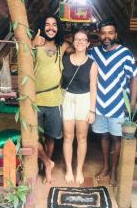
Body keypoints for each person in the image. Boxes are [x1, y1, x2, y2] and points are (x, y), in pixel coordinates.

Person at [89, 18, 137, 186]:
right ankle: (105, 167)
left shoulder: (125, 53)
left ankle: (115, 170)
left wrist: (131, 103)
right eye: (103, 33)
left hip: (118, 105)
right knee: (103, 136)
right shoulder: (93, 53)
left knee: (116, 138)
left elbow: (134, 78)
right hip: (99, 105)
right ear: (99, 34)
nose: (107, 36)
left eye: (110, 33)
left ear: (115, 34)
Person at [32, 15, 70, 182]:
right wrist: (32, 44)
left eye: (54, 25)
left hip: (54, 101)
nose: (51, 28)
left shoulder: (63, 47)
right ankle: (47, 163)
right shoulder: (34, 45)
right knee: (33, 137)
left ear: (58, 28)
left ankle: (46, 168)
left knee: (51, 137)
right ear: (42, 27)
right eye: (47, 25)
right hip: (35, 100)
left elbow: (80, 43)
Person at [62, 30, 98, 185]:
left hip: (84, 100)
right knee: (68, 137)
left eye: (84, 40)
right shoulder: (64, 60)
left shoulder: (92, 64)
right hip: (67, 99)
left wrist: (92, 110)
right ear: (73, 42)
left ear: (88, 43)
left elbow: (93, 87)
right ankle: (69, 169)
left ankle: (79, 170)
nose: (80, 42)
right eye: (77, 39)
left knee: (82, 137)